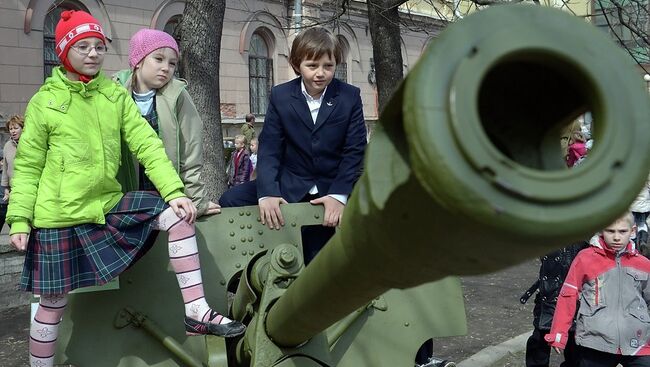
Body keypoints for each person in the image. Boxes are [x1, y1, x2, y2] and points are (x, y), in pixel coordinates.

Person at [8, 10, 244, 367]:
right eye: (83, 46)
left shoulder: (114, 96)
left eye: (99, 46)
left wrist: (176, 193)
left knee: (176, 217)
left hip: (106, 205)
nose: (92, 53)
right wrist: (21, 220)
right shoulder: (44, 102)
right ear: (64, 52)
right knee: (52, 303)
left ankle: (196, 310)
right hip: (58, 217)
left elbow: (148, 145)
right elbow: (27, 166)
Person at [219, 27, 367, 263]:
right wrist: (267, 192)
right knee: (230, 201)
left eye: (328, 66)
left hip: (329, 189)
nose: (320, 73)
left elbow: (354, 150)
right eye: (312, 65)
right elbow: (270, 148)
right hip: (291, 184)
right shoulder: (281, 95)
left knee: (313, 258)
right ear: (297, 64)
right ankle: (245, 272)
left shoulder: (349, 96)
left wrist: (339, 195)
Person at [113, 28, 219, 217]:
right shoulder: (115, 93)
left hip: (168, 195)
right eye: (158, 59)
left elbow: (191, 151)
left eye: (172, 63)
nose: (166, 68)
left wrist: (195, 201)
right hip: (125, 197)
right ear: (138, 61)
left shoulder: (177, 95)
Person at [545, 213, 650, 367]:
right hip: (596, 341)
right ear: (601, 230)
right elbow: (568, 296)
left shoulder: (643, 264)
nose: (616, 237)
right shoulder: (585, 259)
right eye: (610, 231)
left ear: (632, 231)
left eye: (622, 231)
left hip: (637, 341)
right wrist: (558, 334)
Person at [521, 241, 587, 367]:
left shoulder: (588, 234)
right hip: (549, 295)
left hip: (577, 298)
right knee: (539, 341)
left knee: (575, 346)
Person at [2, 115, 24, 205]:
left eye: (16, 128)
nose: (13, 131)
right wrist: (6, 188)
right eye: (11, 129)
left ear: (23, 128)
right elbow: (5, 168)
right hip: (13, 188)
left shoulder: (30, 143)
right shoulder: (7, 145)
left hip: (28, 186)